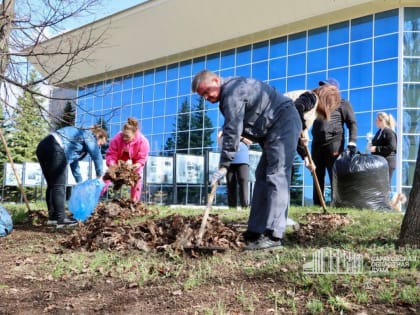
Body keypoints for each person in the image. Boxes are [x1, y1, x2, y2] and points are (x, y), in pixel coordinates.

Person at [191, 70, 340, 250]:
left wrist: (224, 165)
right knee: (262, 176)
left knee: (277, 175)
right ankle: (255, 230)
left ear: (216, 80)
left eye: (207, 91)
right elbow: (236, 124)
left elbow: (233, 129)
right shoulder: (231, 92)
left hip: (281, 123)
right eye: (203, 95)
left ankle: (273, 235)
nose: (206, 97)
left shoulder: (232, 91)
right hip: (273, 129)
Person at [36, 125, 107, 228]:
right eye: (101, 143)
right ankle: (61, 218)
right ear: (98, 136)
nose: (99, 146)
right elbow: (96, 155)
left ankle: (53, 218)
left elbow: (74, 162)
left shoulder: (78, 138)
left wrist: (79, 181)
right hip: (55, 146)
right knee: (59, 185)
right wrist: (100, 175)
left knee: (52, 185)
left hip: (43, 147)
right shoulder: (89, 136)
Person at [311, 78, 358, 206]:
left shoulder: (343, 104)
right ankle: (318, 204)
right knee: (316, 174)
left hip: (334, 143)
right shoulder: (317, 104)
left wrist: (352, 142)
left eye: (325, 86)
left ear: (334, 89)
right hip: (316, 144)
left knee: (334, 174)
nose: (322, 89)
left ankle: (335, 203)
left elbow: (352, 123)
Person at [101, 117, 150, 202]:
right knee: (109, 174)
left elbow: (142, 159)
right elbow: (111, 154)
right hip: (119, 156)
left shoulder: (143, 142)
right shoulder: (117, 139)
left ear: (135, 134)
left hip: (135, 159)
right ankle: (98, 195)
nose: (124, 138)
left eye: (127, 137)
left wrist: (135, 166)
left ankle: (134, 201)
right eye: (123, 136)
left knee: (137, 177)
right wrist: (112, 165)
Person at [218, 131, 251, 209]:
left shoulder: (245, 127)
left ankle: (245, 206)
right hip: (229, 159)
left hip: (243, 159)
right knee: (230, 183)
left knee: (243, 181)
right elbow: (219, 139)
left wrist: (236, 136)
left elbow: (249, 141)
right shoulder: (226, 126)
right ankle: (232, 208)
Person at [369, 112, 397, 184]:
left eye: (376, 120)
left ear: (381, 120)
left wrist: (376, 149)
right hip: (379, 162)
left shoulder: (389, 132)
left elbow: (391, 147)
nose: (375, 122)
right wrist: (371, 146)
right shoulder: (379, 132)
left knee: (384, 185)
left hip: (387, 162)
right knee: (378, 185)